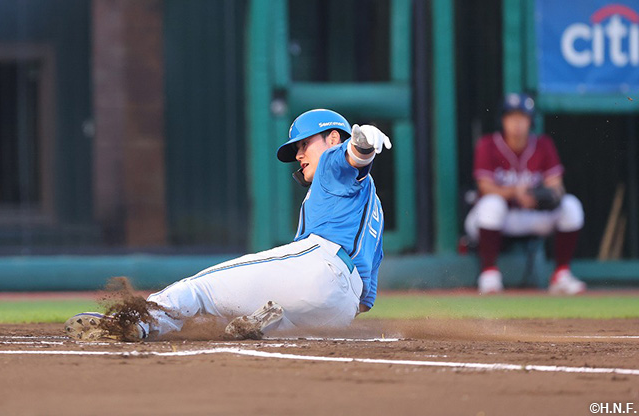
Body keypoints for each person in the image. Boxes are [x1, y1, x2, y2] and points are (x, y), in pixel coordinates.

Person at [65, 109, 390, 341]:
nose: (299, 155)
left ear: (332, 137)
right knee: (230, 316)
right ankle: (271, 323)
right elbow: (365, 299)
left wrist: (362, 145)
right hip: (342, 308)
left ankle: (135, 321)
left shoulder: (334, 166)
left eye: (305, 144)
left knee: (199, 289)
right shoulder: (371, 206)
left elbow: (353, 158)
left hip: (321, 265)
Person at [465, 93, 586, 295]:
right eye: (511, 117)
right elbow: (485, 187)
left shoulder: (543, 144)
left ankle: (561, 275)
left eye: (522, 117)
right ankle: (489, 275)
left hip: (532, 214)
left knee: (571, 206)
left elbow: (557, 187)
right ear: (502, 120)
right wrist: (515, 192)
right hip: (497, 219)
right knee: (491, 203)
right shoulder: (488, 144)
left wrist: (538, 197)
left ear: (530, 121)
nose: (517, 123)